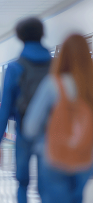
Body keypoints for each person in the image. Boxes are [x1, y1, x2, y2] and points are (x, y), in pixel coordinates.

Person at [23, 34, 93, 203]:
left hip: (54, 157)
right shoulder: (89, 87)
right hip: (84, 158)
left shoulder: (53, 84)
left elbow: (30, 127)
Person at [0, 17, 51, 203]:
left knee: (23, 182)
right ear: (43, 34)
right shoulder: (55, 66)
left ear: (20, 37)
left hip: (24, 129)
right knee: (47, 181)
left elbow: (5, 107)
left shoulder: (15, 67)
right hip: (51, 131)